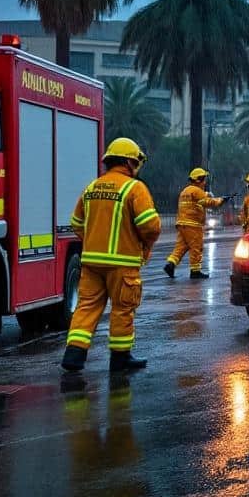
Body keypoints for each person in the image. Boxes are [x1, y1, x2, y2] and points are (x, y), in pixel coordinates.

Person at [61, 138, 161, 373]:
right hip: (122, 264)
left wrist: (95, 240)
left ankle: (74, 355)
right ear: (129, 162)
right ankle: (120, 359)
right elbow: (150, 226)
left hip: (92, 262)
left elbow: (76, 222)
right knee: (123, 309)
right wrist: (143, 244)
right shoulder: (134, 188)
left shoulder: (92, 187)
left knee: (86, 307)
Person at [165, 168, 227, 280]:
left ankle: (171, 264)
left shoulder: (185, 191)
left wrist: (208, 195)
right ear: (199, 180)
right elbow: (208, 202)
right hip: (193, 225)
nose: (205, 182)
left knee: (181, 247)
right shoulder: (197, 191)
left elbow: (199, 201)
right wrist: (220, 201)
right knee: (196, 247)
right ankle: (195, 271)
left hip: (181, 223)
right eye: (204, 179)